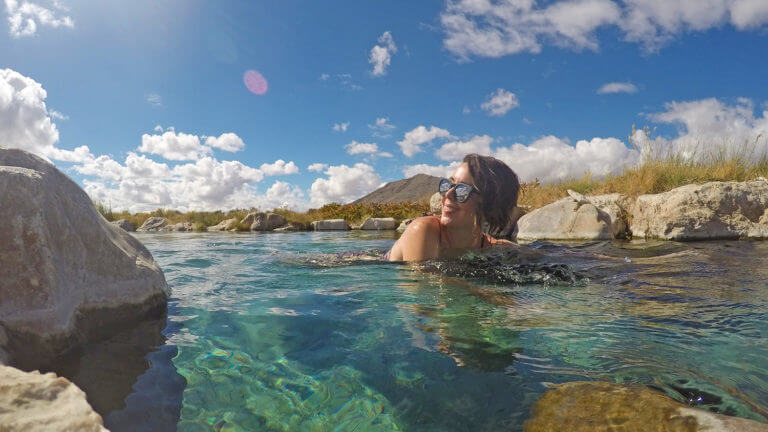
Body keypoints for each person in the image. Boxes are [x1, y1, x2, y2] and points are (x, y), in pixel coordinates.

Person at [387, 154, 520, 262]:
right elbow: (420, 287)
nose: (447, 195)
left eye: (461, 190)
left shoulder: (490, 246)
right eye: (448, 185)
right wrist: (488, 295)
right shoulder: (423, 229)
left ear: (488, 202)